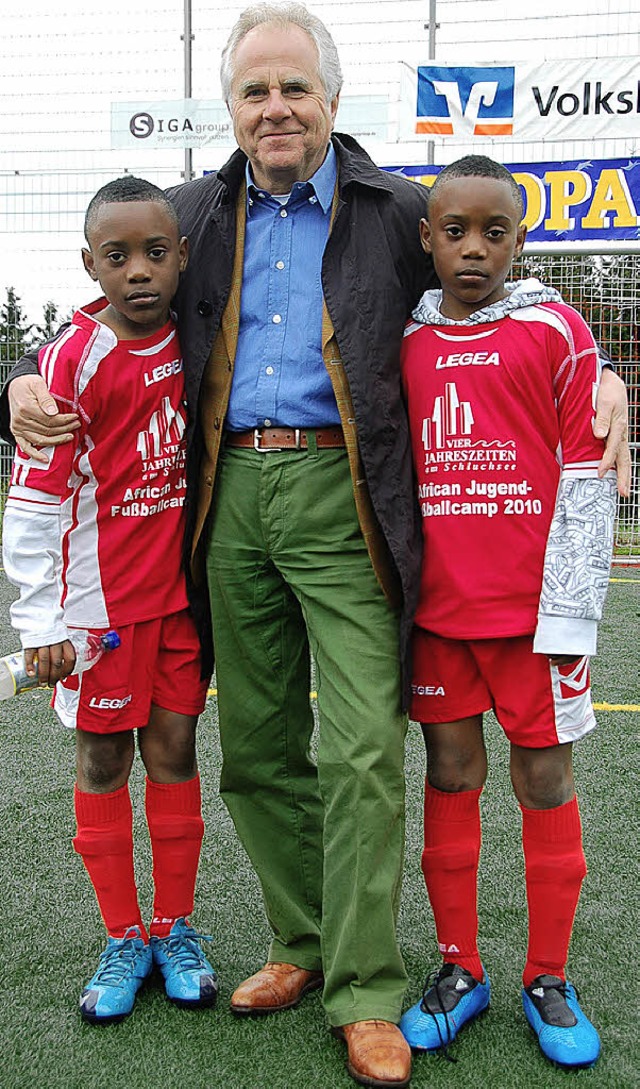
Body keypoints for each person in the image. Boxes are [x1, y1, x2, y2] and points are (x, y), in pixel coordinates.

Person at [1, 7, 630, 1087]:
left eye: (294, 87)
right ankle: (300, 941)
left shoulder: (397, 206)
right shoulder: (188, 212)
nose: (275, 107)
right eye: (254, 91)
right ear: (231, 108)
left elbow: (491, 277)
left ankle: (366, 985)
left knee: (360, 749)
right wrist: (15, 384)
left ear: (332, 101)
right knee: (250, 752)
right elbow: (102, 317)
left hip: (346, 487)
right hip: (226, 495)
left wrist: (605, 373)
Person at [398, 155, 617, 1070]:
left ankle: (548, 974)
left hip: (538, 623)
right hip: (440, 618)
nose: (474, 250)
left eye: (495, 233)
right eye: (455, 232)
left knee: (545, 783)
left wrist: (570, 618)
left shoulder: (556, 332)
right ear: (427, 240)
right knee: (450, 776)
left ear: (522, 240)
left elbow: (586, 478)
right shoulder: (402, 339)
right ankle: (460, 967)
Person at [2, 177, 218, 1025]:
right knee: (103, 761)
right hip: (97, 616)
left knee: (174, 753)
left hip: (178, 606)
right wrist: (42, 620)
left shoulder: (197, 338)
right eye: (118, 256)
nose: (139, 272)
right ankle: (122, 933)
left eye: (155, 254)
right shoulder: (73, 358)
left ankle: (175, 927)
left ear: (183, 259)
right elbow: (34, 499)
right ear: (89, 264)